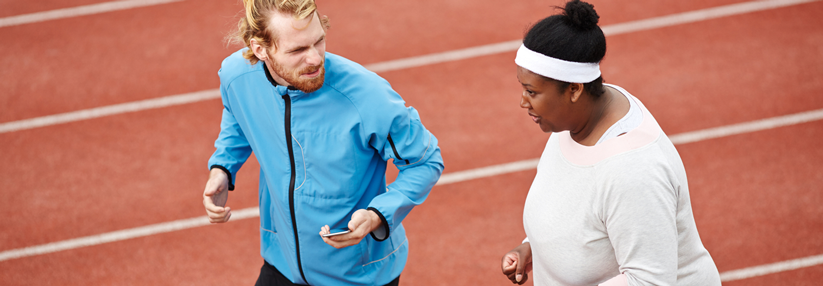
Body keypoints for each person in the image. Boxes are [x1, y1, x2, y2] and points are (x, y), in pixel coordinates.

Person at [201, 0, 444, 285]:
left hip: (359, 275)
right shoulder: (237, 76)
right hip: (282, 263)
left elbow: (426, 161)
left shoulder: (368, 96)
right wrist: (223, 167)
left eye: (319, 41)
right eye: (298, 50)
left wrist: (378, 214)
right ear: (260, 49)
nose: (315, 59)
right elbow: (238, 111)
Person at [499, 1, 721, 285]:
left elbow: (649, 281)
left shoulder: (633, 170)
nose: (523, 102)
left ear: (574, 89)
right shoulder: (579, 116)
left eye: (531, 91)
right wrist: (535, 247)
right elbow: (574, 209)